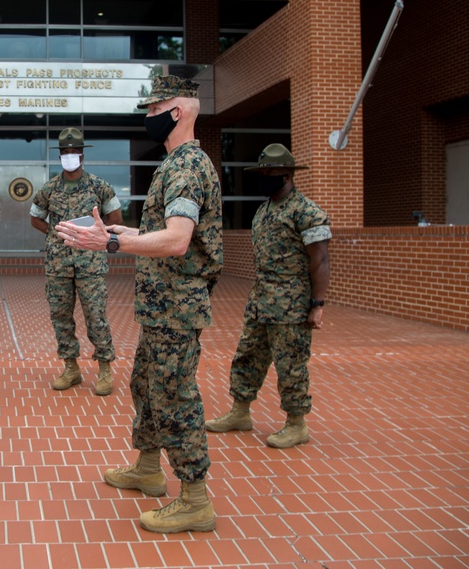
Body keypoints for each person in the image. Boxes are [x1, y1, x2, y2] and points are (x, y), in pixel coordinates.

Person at [55, 75, 222, 534]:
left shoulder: (187, 166)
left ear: (179, 112)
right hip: (160, 307)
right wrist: (111, 234)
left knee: (175, 395)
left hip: (177, 309)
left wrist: (110, 247)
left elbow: (176, 240)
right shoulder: (172, 164)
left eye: (154, 111)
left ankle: (194, 499)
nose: (147, 119)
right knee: (147, 386)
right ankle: (149, 469)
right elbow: (154, 234)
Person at [205, 143, 330, 448]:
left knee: (291, 364)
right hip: (260, 300)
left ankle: (296, 423)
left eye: (269, 173)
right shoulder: (264, 209)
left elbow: (321, 260)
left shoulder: (307, 212)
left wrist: (317, 305)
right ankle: (240, 411)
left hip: (291, 303)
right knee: (248, 355)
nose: (264, 178)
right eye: (262, 172)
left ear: (286, 174)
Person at [30, 128, 123, 395]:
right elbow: (35, 217)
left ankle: (105, 368)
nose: (70, 155)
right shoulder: (49, 188)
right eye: (65, 152)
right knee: (60, 316)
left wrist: (96, 234)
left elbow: (115, 218)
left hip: (90, 264)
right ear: (60, 156)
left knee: (96, 316)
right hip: (58, 264)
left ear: (82, 154)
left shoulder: (99, 186)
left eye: (74, 151)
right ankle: (71, 368)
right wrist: (56, 232)